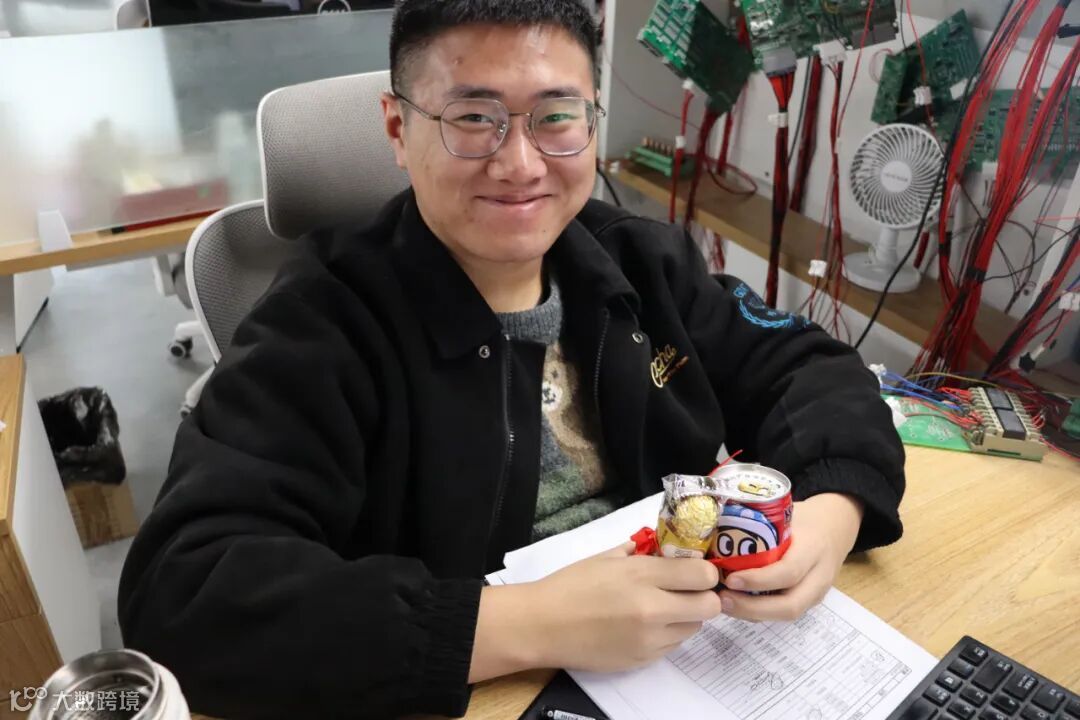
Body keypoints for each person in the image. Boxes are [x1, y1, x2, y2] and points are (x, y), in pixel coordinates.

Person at [118, 1, 906, 718]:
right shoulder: (321, 325)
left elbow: (811, 368)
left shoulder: (640, 263)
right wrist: (528, 623)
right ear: (397, 129)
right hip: (471, 684)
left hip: (692, 659)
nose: (522, 164)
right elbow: (183, 591)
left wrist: (832, 515)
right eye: (473, 119)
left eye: (556, 117)